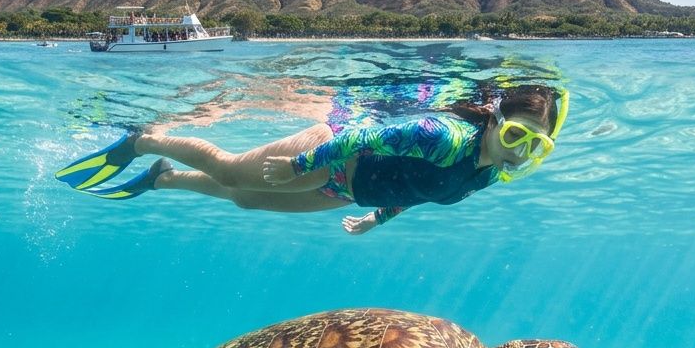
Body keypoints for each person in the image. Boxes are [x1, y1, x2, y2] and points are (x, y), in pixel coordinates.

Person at [54, 84, 569, 235]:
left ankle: (163, 180)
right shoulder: (445, 137)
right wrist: (301, 167)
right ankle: (146, 140)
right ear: (496, 119)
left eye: (536, 145)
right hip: (331, 156)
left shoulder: (488, 174)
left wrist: (377, 217)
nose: (521, 150)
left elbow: (425, 191)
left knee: (245, 202)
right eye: (519, 134)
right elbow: (365, 132)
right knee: (232, 170)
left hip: (347, 191)